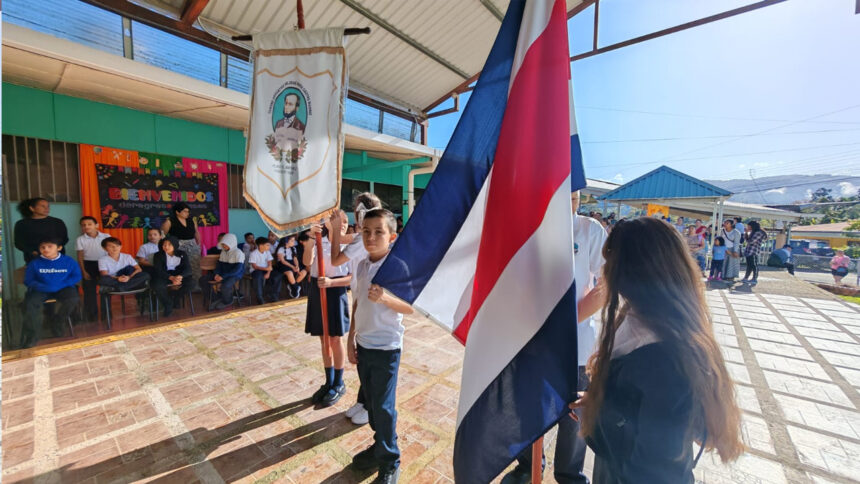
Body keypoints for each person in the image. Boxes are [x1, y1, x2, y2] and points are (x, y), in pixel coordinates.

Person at [573, 217, 743, 483]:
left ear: (629, 271)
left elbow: (657, 469)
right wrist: (601, 401)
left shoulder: (664, 362)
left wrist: (601, 414)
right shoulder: (643, 316)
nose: (604, 270)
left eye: (610, 262)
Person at [503, 190, 608, 484]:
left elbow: (609, 282)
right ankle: (528, 465)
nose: (566, 202)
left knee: (574, 417)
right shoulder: (528, 229)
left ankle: (570, 475)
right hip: (532, 344)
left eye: (573, 196)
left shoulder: (589, 230)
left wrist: (563, 323)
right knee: (528, 408)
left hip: (576, 346)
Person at [347, 208, 414, 484]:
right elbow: (358, 303)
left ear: (392, 236)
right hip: (363, 346)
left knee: (384, 407)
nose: (371, 237)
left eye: (378, 232)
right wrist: (350, 338)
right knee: (372, 405)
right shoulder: (362, 265)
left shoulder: (397, 268)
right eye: (366, 231)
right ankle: (380, 445)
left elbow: (410, 308)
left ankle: (390, 460)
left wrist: (386, 298)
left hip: (386, 349)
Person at [330, 192, 384, 426]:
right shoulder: (360, 236)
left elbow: (335, 260)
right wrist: (332, 229)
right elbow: (347, 238)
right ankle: (363, 401)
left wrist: (333, 233)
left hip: (371, 300)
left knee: (370, 359)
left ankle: (371, 406)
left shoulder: (363, 238)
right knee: (362, 354)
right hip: (360, 296)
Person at [304, 216, 352, 408]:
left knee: (334, 338)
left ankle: (339, 382)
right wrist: (309, 241)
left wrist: (332, 283)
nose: (342, 224)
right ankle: (329, 380)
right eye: (336, 220)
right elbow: (307, 262)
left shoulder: (349, 244)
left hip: (335, 289)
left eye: (345, 221)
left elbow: (352, 277)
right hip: (318, 289)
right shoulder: (319, 240)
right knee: (324, 338)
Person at [23, 238, 82, 348]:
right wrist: (42, 286)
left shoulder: (69, 261)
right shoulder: (34, 263)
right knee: (30, 304)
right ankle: (32, 336)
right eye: (42, 247)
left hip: (62, 287)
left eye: (50, 246)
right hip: (41, 289)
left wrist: (62, 284)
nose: (46, 249)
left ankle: (58, 321)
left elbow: (76, 276)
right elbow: (28, 281)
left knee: (73, 298)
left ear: (59, 248)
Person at [76, 216, 110, 321]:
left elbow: (110, 252)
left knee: (106, 289)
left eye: (89, 224)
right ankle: (91, 316)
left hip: (103, 264)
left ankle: (107, 314)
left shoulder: (106, 236)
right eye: (83, 225)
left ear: (96, 225)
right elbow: (80, 256)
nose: (86, 226)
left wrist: (109, 268)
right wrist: (83, 271)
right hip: (88, 265)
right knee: (89, 292)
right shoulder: (80, 239)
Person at [14, 198, 69, 263]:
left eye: (48, 206)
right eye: (42, 206)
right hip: (33, 260)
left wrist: (53, 251)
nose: (46, 208)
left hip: (56, 259)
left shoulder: (57, 222)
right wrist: (32, 251)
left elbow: (64, 239)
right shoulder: (22, 224)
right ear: (32, 208)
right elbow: (19, 243)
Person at [161, 202, 201, 291]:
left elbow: (196, 232)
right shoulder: (169, 221)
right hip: (178, 246)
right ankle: (179, 286)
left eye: (188, 211)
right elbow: (163, 235)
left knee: (195, 265)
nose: (187, 213)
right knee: (181, 266)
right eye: (185, 211)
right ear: (177, 212)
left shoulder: (191, 221)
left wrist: (198, 243)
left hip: (192, 245)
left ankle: (196, 286)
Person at [199, 233, 245, 310]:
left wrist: (222, 276)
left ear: (231, 243)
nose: (223, 246)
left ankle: (228, 301)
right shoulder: (223, 252)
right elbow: (219, 265)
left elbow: (237, 270)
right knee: (202, 280)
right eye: (223, 244)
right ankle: (216, 299)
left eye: (225, 244)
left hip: (234, 275)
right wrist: (217, 274)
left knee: (225, 286)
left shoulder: (238, 253)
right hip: (222, 274)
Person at [151, 236, 192, 318]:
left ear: (175, 245)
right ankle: (168, 303)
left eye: (169, 244)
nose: (166, 247)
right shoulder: (158, 255)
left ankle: (176, 297)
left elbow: (188, 269)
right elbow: (158, 271)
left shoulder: (182, 254)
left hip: (178, 276)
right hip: (165, 276)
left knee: (191, 283)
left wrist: (180, 276)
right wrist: (171, 278)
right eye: (164, 245)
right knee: (157, 285)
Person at [249, 236, 276, 304]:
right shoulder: (253, 253)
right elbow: (254, 266)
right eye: (267, 245)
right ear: (261, 245)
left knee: (277, 275)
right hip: (256, 270)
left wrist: (268, 272)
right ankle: (259, 297)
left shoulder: (267, 252)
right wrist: (266, 269)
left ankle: (273, 295)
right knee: (258, 277)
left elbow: (270, 263)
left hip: (266, 270)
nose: (269, 247)